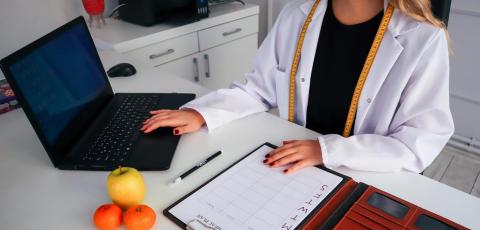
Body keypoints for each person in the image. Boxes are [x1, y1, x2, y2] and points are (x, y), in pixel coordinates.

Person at [141, 0, 453, 174]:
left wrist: (326, 150)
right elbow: (257, 89)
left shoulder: (422, 39)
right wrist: (202, 114)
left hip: (366, 173)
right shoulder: (297, 15)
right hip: (293, 166)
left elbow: (416, 144)